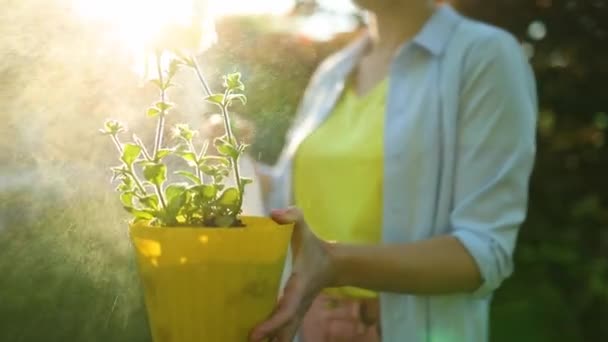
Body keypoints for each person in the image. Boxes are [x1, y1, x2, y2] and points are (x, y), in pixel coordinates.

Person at [250, 1, 537, 341]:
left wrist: (333, 262)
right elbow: (285, 197)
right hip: (308, 329)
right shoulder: (333, 71)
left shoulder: (483, 55)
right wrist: (225, 158)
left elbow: (482, 251)